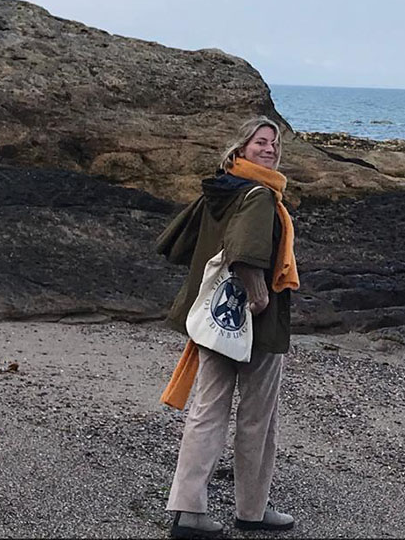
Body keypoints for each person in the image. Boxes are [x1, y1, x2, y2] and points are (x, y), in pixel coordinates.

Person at [155, 115, 299, 538]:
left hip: (214, 321)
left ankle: (187, 509)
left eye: (273, 143)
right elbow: (245, 252)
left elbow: (180, 242)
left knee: (207, 411)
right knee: (258, 418)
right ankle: (251, 511)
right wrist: (257, 296)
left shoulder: (220, 190)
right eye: (260, 142)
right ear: (240, 148)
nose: (269, 148)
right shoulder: (258, 195)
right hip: (254, 323)